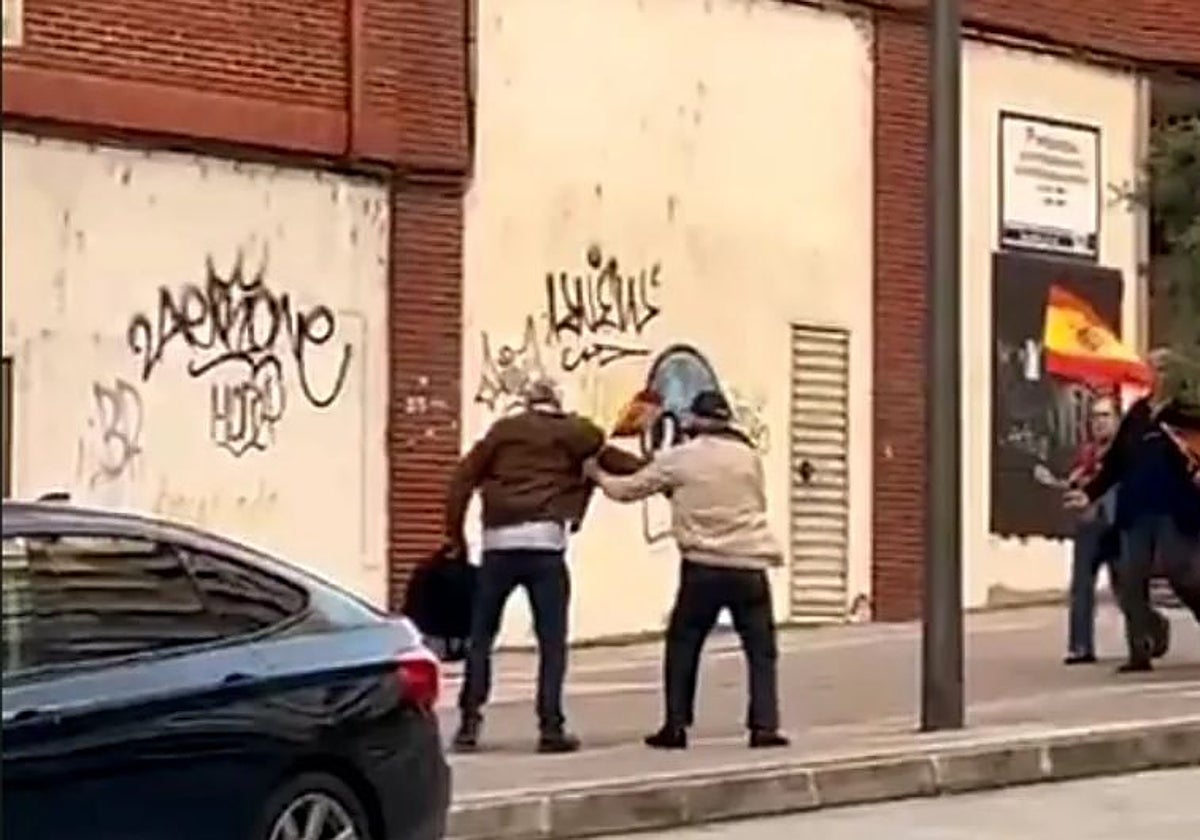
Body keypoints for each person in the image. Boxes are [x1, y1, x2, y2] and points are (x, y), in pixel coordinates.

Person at [584, 389, 790, 750]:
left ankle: (676, 726)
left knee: (684, 643)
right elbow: (758, 500)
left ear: (695, 420)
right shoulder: (748, 458)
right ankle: (764, 726)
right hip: (750, 564)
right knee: (761, 649)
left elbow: (628, 490)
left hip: (703, 566)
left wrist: (597, 475)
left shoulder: (679, 459)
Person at [443, 379, 641, 753]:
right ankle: (551, 727)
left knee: (481, 637)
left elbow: (462, 480)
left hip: (498, 546)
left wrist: (455, 536)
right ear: (556, 402)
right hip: (545, 546)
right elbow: (609, 456)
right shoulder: (574, 433)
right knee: (551, 641)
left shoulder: (502, 432)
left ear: (527, 404)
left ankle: (469, 724)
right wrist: (658, 476)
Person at [1066, 349, 1200, 672]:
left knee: (1183, 574)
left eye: (1159, 369)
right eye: (1150, 369)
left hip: (1174, 510)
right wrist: (1089, 493)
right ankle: (1139, 652)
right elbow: (1115, 463)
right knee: (1130, 578)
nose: (1153, 375)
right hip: (1136, 511)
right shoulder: (1137, 416)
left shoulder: (1183, 414)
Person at [1059, 395, 1122, 664]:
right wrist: (1076, 481)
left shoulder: (1125, 451)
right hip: (1090, 524)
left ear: (1118, 421)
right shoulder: (1086, 453)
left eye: (1105, 416)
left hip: (1119, 524)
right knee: (1082, 585)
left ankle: (1145, 639)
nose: (1099, 422)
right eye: (1095, 417)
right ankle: (1080, 646)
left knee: (1127, 588)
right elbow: (1079, 482)